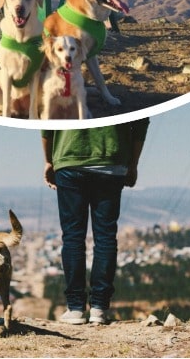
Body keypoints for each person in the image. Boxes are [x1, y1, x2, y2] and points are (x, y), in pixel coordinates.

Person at [42, 119, 149, 325]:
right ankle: (99, 308)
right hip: (111, 160)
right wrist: (133, 164)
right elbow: (141, 123)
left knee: (73, 237)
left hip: (69, 158)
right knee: (106, 237)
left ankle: (75, 309)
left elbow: (48, 118)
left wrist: (49, 161)